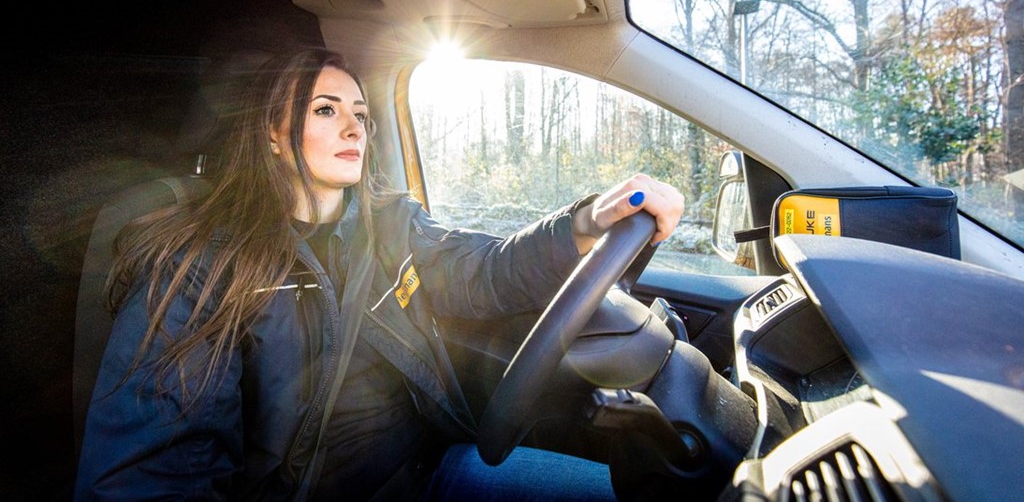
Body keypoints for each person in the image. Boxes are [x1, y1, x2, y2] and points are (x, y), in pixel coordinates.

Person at [75, 48, 685, 501]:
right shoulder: (205, 265)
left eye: (361, 115)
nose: (353, 128)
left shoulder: (394, 225)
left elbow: (489, 270)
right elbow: (152, 475)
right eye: (325, 110)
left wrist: (588, 220)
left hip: (430, 471)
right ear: (273, 135)